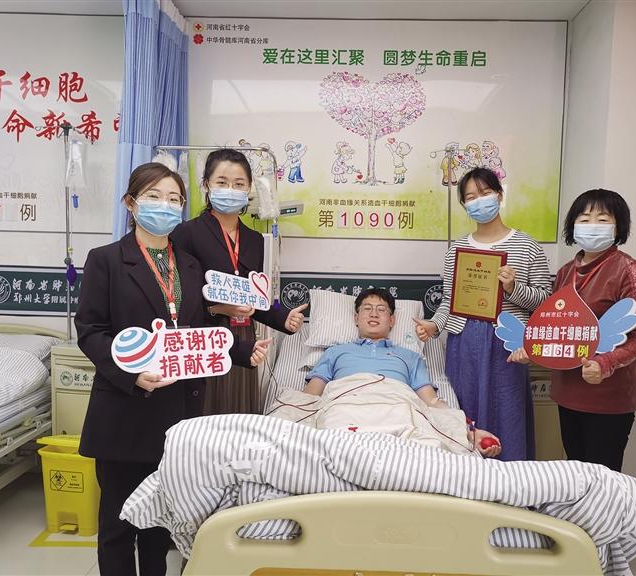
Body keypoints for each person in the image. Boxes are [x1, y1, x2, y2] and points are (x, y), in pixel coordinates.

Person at [75, 163, 269, 575]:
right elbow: (91, 331)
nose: (164, 206)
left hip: (178, 412)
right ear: (131, 203)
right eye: (154, 197)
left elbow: (199, 327)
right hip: (124, 410)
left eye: (174, 199)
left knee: (161, 525)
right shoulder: (106, 260)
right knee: (119, 523)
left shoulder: (190, 265)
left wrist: (241, 350)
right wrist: (132, 374)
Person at [414, 167, 551, 461]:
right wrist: (434, 326)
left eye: (485, 193)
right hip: (464, 342)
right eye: (471, 197)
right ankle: (466, 482)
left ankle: (510, 482)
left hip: (508, 343)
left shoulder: (527, 246)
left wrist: (513, 288)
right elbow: (449, 301)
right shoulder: (457, 249)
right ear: (464, 205)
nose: (479, 201)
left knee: (508, 412)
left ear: (499, 195)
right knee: (465, 413)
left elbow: (544, 302)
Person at [511, 189, 636, 472]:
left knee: (602, 480)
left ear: (618, 226)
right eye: (585, 218)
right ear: (573, 225)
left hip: (607, 399)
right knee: (576, 475)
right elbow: (554, 327)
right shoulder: (566, 272)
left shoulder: (629, 271)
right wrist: (532, 348)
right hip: (567, 394)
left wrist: (605, 363)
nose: (592, 225)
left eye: (603, 219)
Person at [170, 148, 306, 415]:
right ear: (206, 185)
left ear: (249, 188)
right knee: (204, 416)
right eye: (222, 182)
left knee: (238, 416)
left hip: (245, 339)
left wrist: (283, 318)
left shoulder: (254, 240)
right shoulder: (186, 233)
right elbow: (178, 297)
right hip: (204, 336)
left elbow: (253, 297)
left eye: (239, 184)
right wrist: (217, 309)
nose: (230, 189)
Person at [303, 288, 501, 457]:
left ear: (392, 320)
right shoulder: (335, 352)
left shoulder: (410, 357)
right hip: (345, 406)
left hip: (397, 408)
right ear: (356, 318)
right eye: (367, 309)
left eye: (381, 310)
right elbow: (310, 396)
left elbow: (431, 402)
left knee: (428, 443)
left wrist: (469, 431)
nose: (374, 314)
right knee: (327, 434)